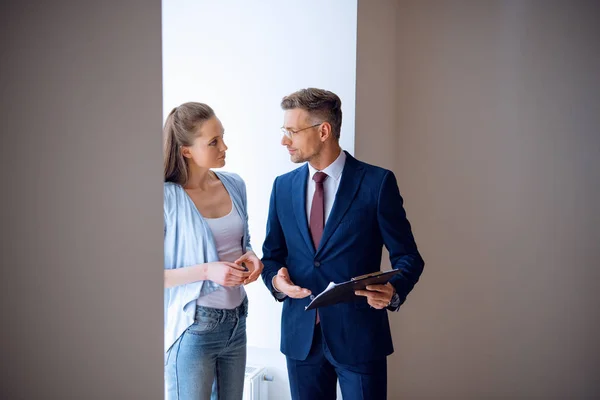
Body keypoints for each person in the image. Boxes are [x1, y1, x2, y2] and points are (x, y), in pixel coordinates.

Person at [260, 88, 424, 400]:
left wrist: (393, 292)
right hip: (300, 340)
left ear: (323, 130)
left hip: (360, 338)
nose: (285, 140)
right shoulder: (283, 187)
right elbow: (271, 257)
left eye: (292, 131)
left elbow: (409, 258)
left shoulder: (376, 183)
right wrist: (278, 284)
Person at [163, 102, 263, 400]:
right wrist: (208, 270)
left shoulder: (234, 184)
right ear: (186, 150)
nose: (224, 146)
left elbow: (242, 243)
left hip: (237, 322)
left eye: (222, 137)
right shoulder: (165, 198)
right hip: (194, 329)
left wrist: (253, 258)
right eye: (213, 142)